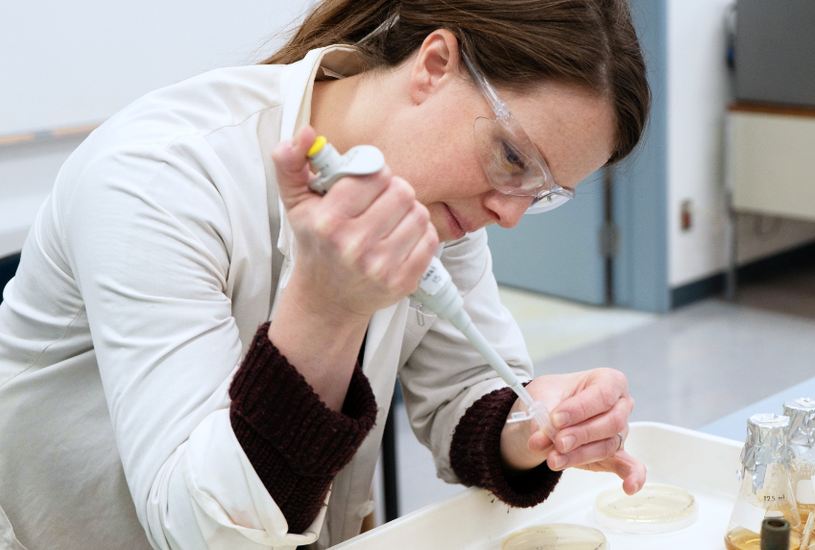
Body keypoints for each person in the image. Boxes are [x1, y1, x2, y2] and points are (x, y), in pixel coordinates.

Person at [0, 0, 651, 548]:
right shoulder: (157, 176)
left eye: (542, 193)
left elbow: (464, 392)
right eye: (513, 158)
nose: (508, 215)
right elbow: (201, 532)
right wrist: (328, 309)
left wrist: (538, 422)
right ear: (435, 65)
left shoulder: (435, 200)